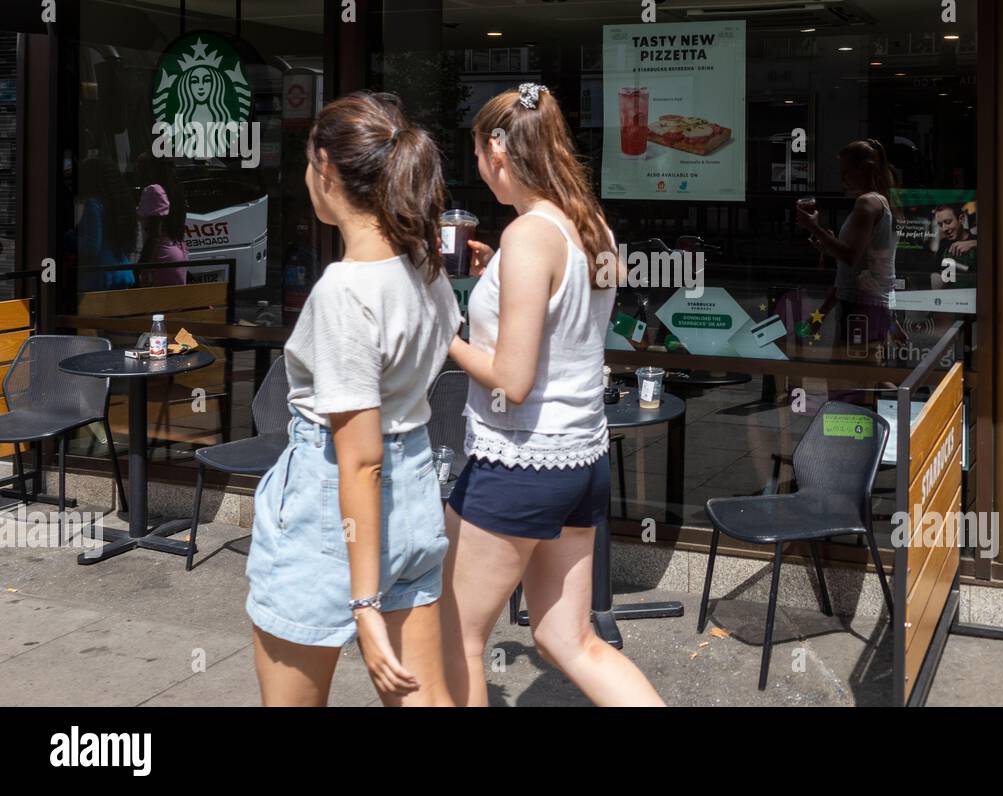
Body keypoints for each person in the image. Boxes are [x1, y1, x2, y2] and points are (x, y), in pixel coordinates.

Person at [440, 83, 664, 707]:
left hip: (516, 461)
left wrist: (444, 335)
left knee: (454, 637)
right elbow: (566, 324)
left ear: (497, 150)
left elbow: (512, 380)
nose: (481, 174)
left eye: (479, 159)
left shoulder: (527, 236)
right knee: (570, 639)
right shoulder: (591, 228)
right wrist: (498, 276)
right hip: (580, 460)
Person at [244, 91, 462, 706]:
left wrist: (363, 605)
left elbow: (359, 459)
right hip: (415, 483)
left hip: (333, 501)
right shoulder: (423, 265)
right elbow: (445, 341)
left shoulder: (346, 290)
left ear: (326, 166)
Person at [797, 139, 900, 363]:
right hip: (870, 305)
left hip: (861, 307)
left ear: (864, 169)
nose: (842, 179)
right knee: (861, 377)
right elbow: (860, 265)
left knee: (851, 379)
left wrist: (813, 226)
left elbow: (850, 256)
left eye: (846, 172)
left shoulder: (866, 203)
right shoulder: (880, 202)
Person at [77, 156, 137, 291]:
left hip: (100, 277)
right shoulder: (120, 203)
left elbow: (91, 247)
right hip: (122, 272)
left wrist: (69, 237)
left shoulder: (93, 204)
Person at [135, 155, 190, 286]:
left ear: (150, 170)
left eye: (139, 167)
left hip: (161, 256)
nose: (136, 171)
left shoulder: (153, 190)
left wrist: (141, 266)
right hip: (178, 251)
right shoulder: (171, 189)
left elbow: (155, 234)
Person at [928, 203, 976, 289]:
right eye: (940, 224)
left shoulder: (976, 241)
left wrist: (973, 243)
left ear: (961, 219)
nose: (944, 229)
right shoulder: (944, 243)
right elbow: (935, 270)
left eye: (948, 222)